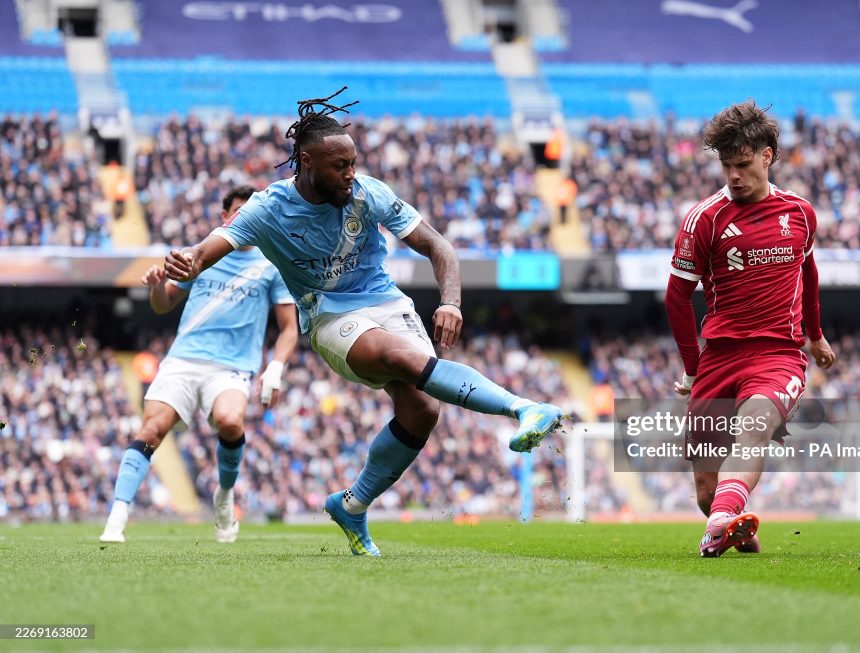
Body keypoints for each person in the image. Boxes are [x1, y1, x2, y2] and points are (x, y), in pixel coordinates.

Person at [163, 89, 565, 556]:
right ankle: (523, 409)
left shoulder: (368, 193)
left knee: (423, 411)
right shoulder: (267, 209)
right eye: (340, 166)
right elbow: (208, 249)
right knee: (401, 357)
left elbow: (439, 247)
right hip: (329, 314)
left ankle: (352, 504)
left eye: (353, 163)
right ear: (307, 162)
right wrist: (188, 262)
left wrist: (450, 302)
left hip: (386, 302)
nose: (351, 174)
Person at [665, 101, 835, 557]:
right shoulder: (706, 219)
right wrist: (691, 369)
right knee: (705, 490)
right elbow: (676, 297)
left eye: (742, 164)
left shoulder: (800, 213)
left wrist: (815, 335)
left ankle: (720, 522)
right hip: (719, 357)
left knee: (755, 425)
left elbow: (809, 273)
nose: (733, 175)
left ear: (768, 155)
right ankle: (727, 519)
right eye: (726, 166)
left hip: (778, 354)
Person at [100, 185, 299, 544]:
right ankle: (117, 515)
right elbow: (163, 305)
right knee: (152, 429)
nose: (247, 220)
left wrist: (276, 368)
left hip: (232, 366)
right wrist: (158, 286)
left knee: (229, 420)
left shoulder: (272, 266)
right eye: (239, 213)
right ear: (226, 218)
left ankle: (224, 495)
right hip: (183, 359)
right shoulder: (203, 255)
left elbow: (289, 329)